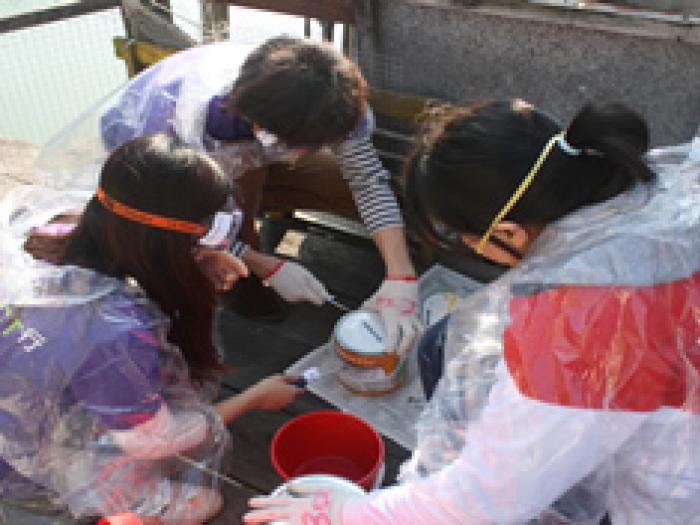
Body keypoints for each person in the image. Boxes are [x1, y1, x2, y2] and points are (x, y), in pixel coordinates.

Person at [242, 99, 700, 524]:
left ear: (508, 231)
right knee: (442, 342)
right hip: (649, 410)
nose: (464, 244)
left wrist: (347, 514)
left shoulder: (578, 327)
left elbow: (482, 499)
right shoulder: (655, 185)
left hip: (670, 492)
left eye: (458, 233)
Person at [0, 134, 303, 524]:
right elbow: (151, 441)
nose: (217, 243)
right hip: (33, 477)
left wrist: (195, 260)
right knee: (203, 504)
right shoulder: (116, 335)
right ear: (160, 242)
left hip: (28, 412)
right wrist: (254, 398)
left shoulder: (53, 231)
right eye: (207, 232)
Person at [98, 36, 420, 352]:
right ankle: (239, 286)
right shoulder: (182, 123)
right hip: (161, 171)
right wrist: (266, 265)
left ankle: (250, 230)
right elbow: (179, 220)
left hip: (256, 146)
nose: (305, 154)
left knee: (340, 185)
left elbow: (368, 182)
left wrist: (401, 275)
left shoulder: (337, 100)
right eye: (302, 146)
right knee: (221, 228)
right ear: (259, 129)